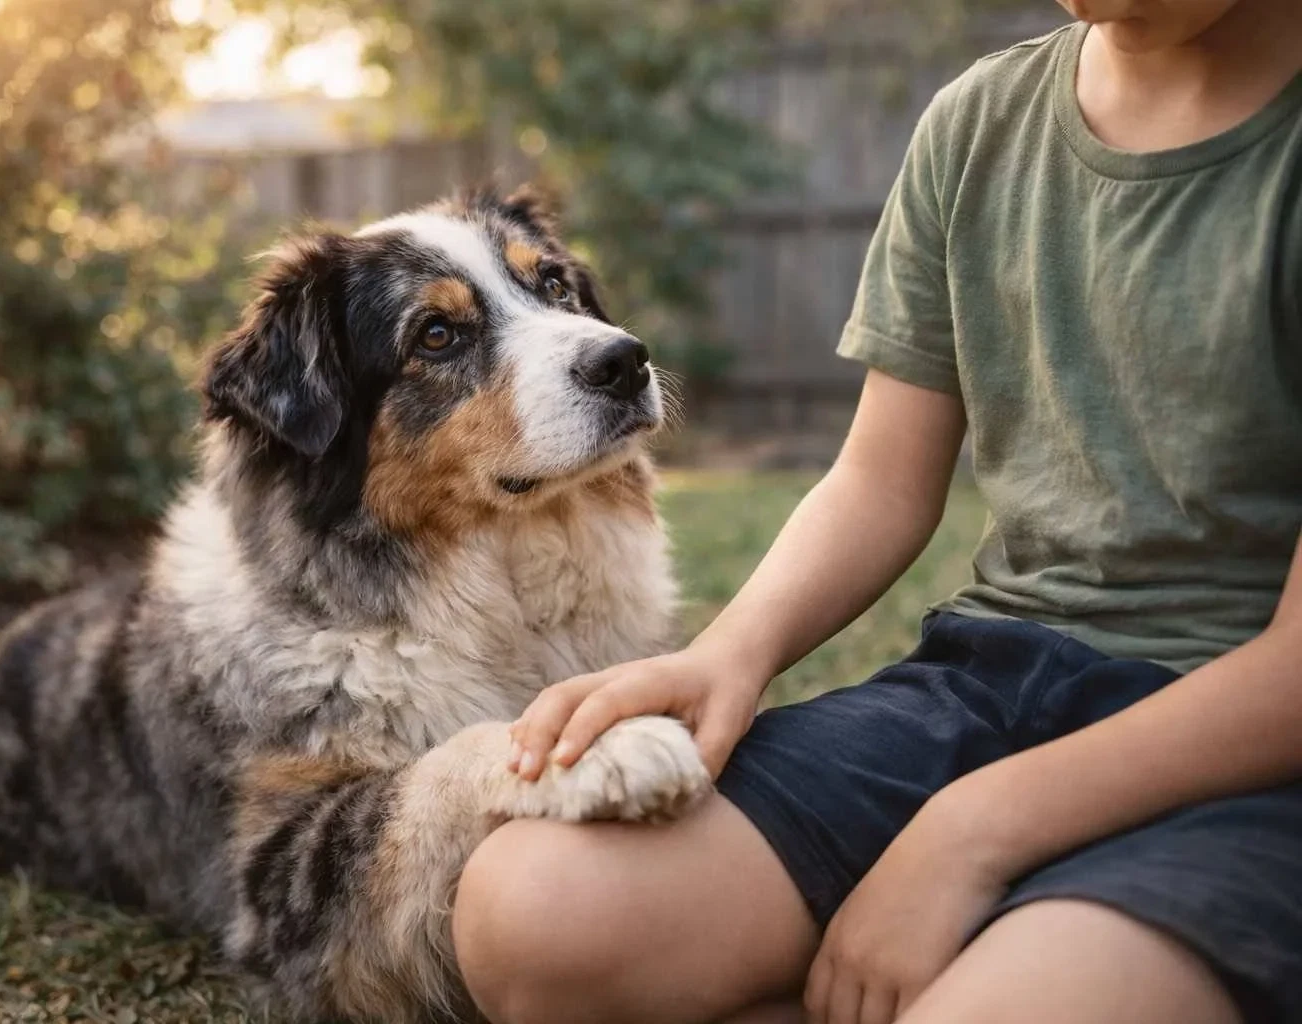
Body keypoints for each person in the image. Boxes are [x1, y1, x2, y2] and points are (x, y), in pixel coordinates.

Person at [448, 2, 1302, 1022]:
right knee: (530, 914)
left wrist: (971, 830)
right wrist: (726, 656)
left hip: (1245, 754)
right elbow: (881, 479)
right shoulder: (982, 120)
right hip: (996, 683)